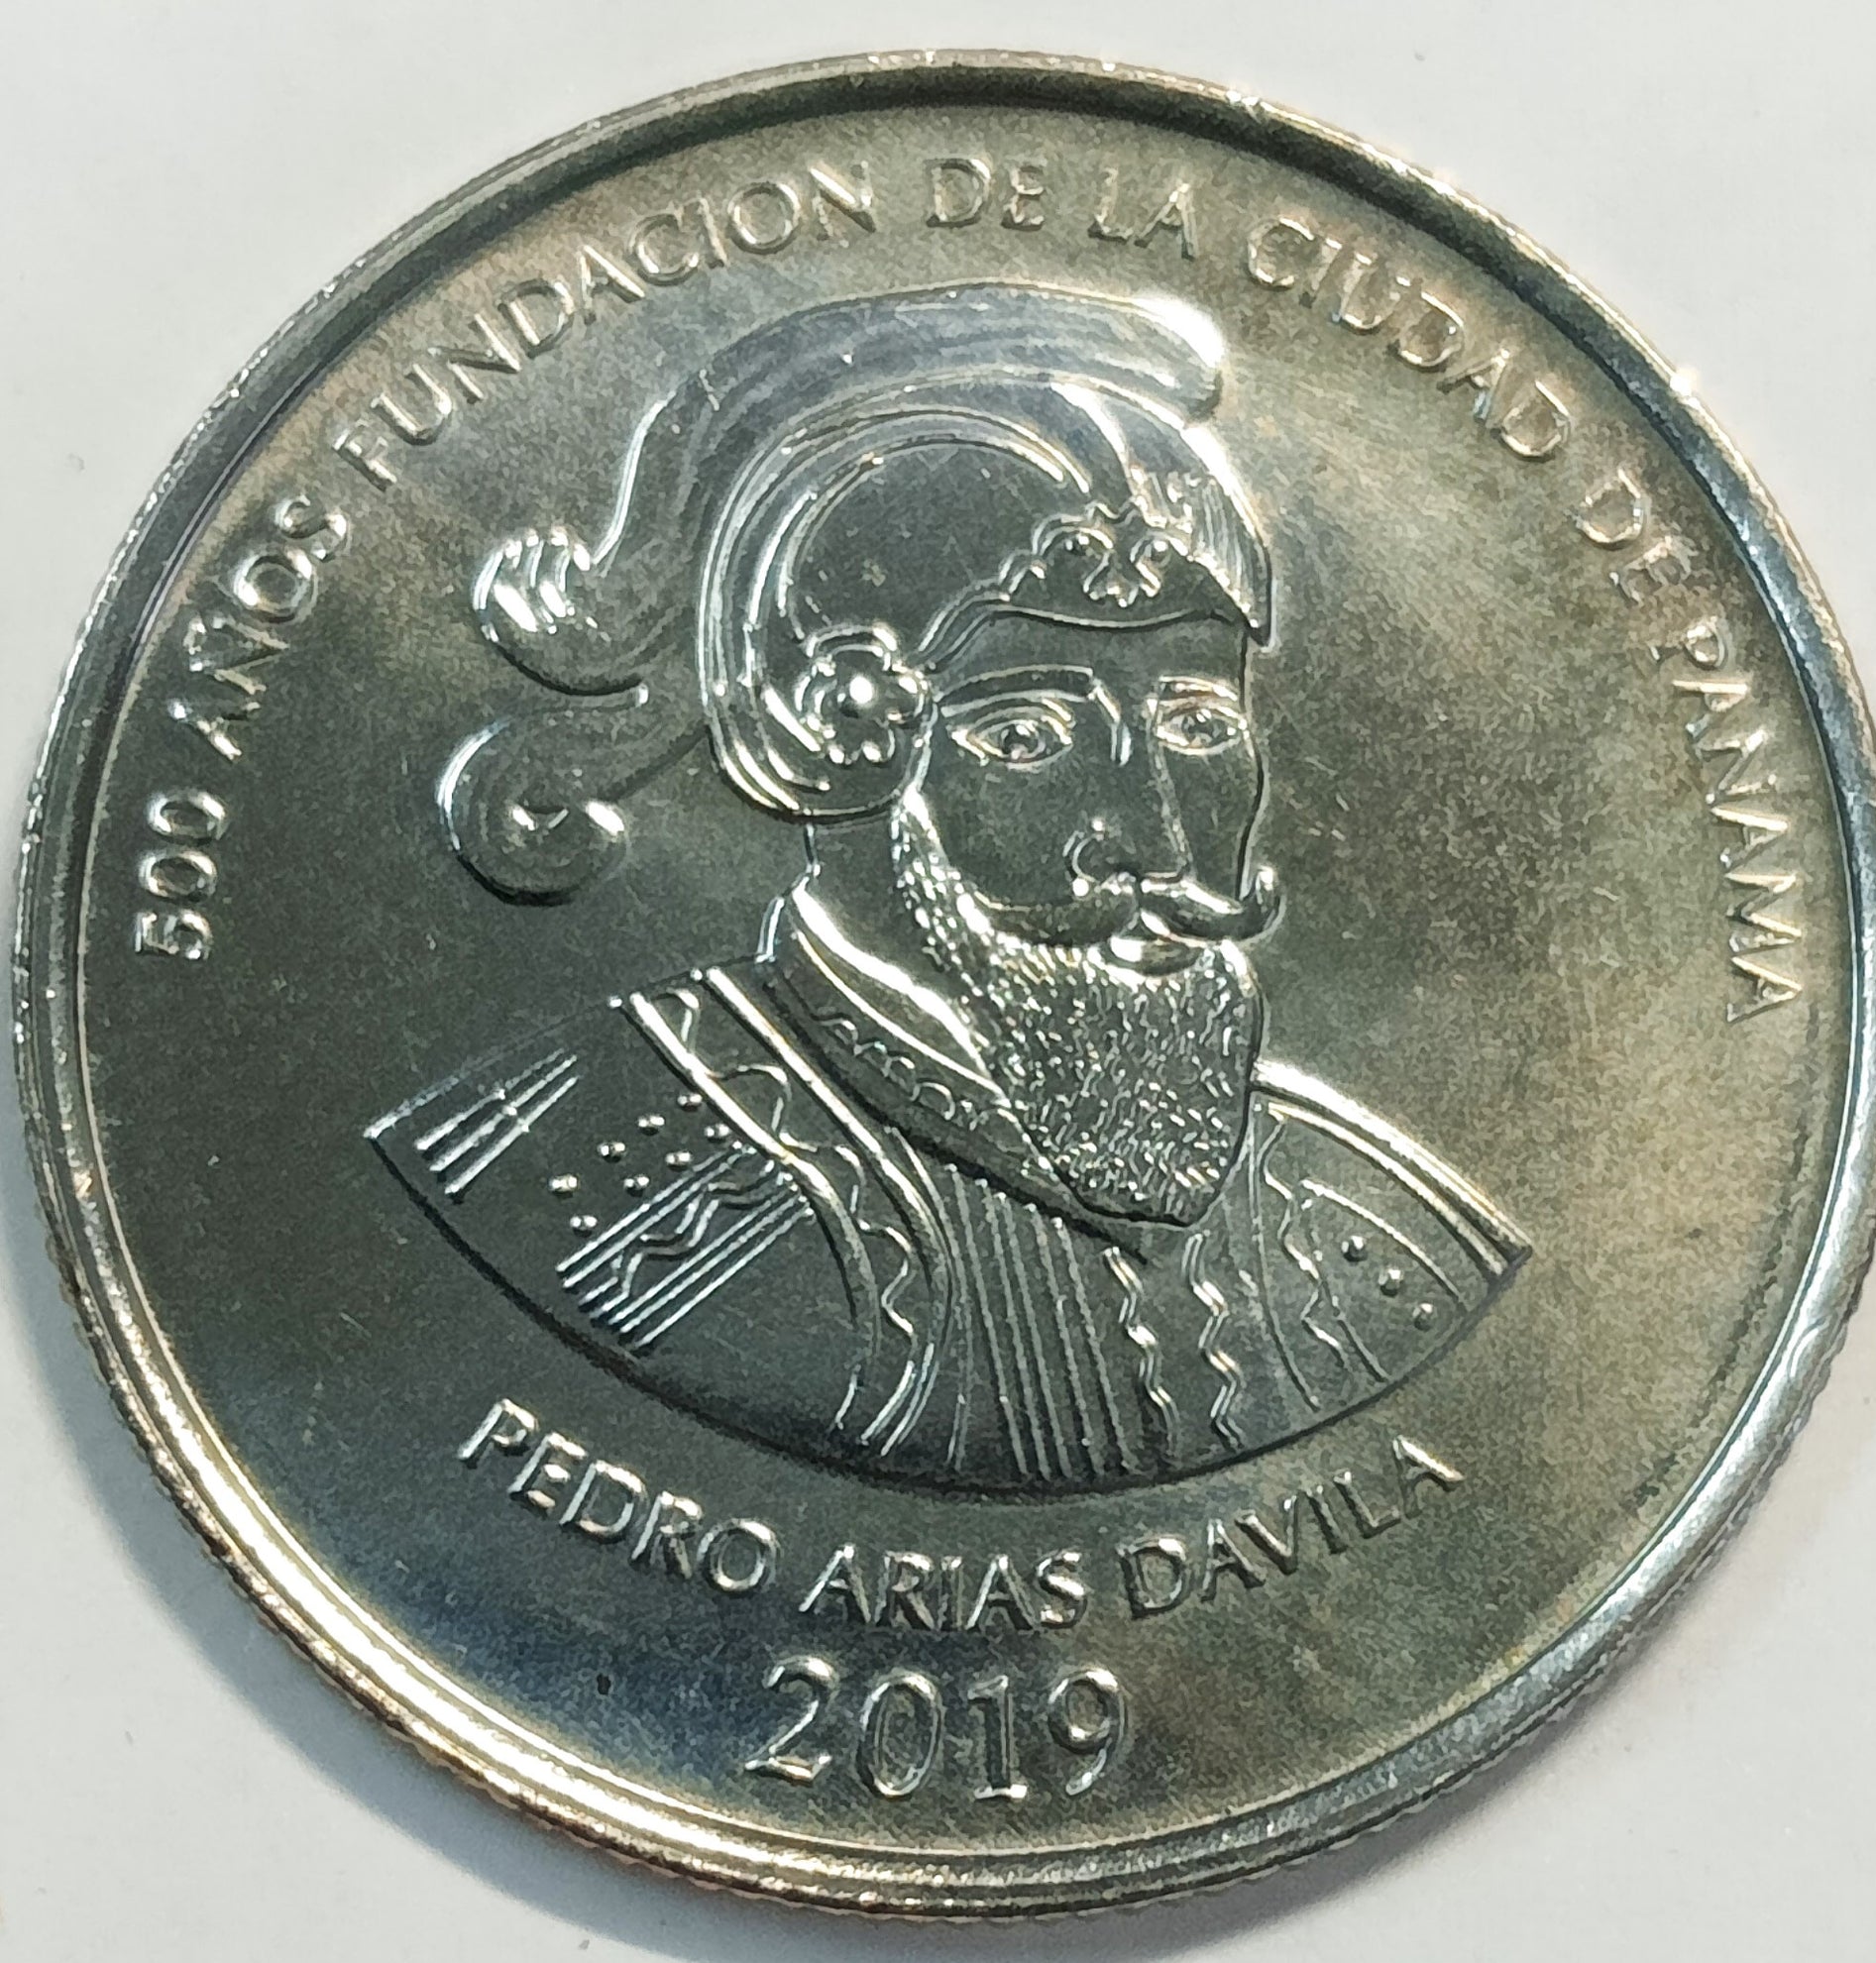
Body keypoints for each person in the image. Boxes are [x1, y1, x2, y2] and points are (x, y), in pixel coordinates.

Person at [371, 283, 1526, 1492]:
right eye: (1026, 738)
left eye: (1196, 726)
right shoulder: (565, 1187)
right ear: (827, 745)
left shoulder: (1367, 1219)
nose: (1155, 841)